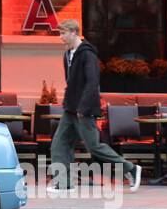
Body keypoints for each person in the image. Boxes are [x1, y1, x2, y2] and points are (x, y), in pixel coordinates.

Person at [49, 19, 141, 191]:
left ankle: (132, 169)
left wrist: (83, 108)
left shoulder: (87, 54)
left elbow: (92, 83)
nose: (60, 37)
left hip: (84, 110)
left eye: (63, 33)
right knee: (59, 144)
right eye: (59, 33)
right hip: (71, 109)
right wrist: (68, 102)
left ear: (74, 32)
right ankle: (63, 183)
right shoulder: (68, 55)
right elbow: (72, 83)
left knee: (94, 147)